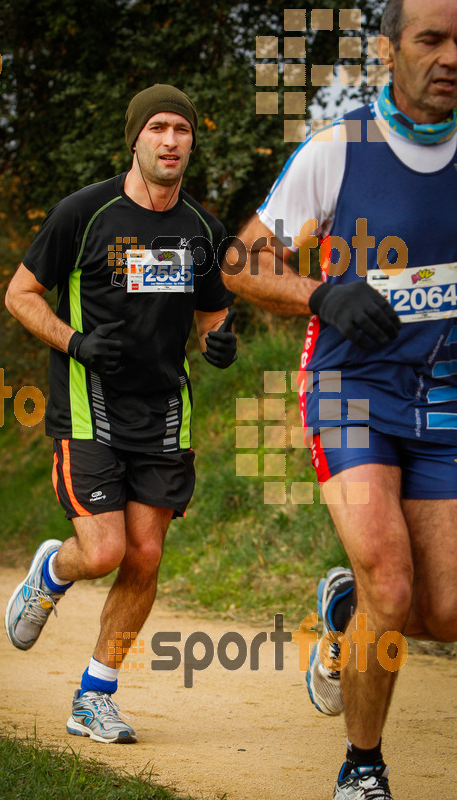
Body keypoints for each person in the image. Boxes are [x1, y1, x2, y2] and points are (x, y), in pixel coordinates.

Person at [222, 1, 457, 797]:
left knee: (443, 612)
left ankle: (344, 606)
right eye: (431, 39)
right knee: (393, 585)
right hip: (349, 387)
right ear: (388, 49)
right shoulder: (339, 147)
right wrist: (321, 295)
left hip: (444, 398)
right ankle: (362, 768)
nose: (450, 56)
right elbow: (238, 263)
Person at [4, 84, 237, 744]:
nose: (170, 140)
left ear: (192, 141)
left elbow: (214, 312)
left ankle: (93, 696)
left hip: (164, 413)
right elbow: (19, 295)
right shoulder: (84, 214)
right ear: (135, 139)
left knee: (145, 555)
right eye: (158, 128)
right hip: (91, 408)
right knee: (102, 551)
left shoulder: (201, 229)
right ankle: (52, 573)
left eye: (182, 130)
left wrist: (218, 340)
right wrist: (74, 342)